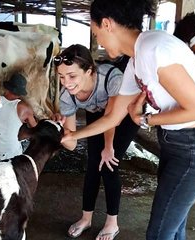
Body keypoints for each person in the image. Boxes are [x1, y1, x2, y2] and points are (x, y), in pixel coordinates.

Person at [62, 0, 195, 239]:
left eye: (96, 34)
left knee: (159, 233)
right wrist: (74, 135)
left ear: (107, 24)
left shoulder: (153, 49)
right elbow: (114, 115)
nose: (99, 42)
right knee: (173, 230)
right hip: (177, 145)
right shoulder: (136, 60)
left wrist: (147, 119)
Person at [53, 44, 139, 239]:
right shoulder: (67, 97)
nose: (66, 83)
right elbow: (72, 143)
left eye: (72, 76)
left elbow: (111, 119)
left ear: (89, 71)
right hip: (97, 114)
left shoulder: (112, 77)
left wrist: (108, 148)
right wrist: (59, 131)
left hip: (124, 117)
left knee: (108, 164)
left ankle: (112, 223)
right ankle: (86, 219)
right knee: (92, 164)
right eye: (61, 77)